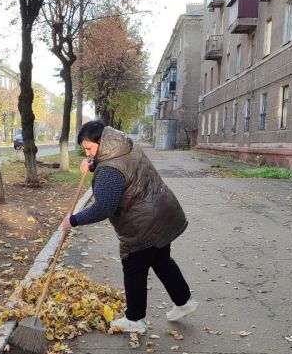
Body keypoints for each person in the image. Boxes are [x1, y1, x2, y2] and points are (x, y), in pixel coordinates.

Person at [62, 121, 197, 334]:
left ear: (102, 142)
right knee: (161, 260)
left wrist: (74, 220)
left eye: (89, 149)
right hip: (162, 212)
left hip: (142, 223)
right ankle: (184, 301)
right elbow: (124, 168)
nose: (87, 153)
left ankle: (135, 320)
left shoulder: (109, 171)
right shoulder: (126, 146)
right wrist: (94, 164)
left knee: (134, 268)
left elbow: (103, 208)